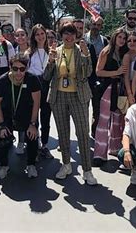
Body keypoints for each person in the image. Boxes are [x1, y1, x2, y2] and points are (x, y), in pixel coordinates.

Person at [43, 22, 98, 185]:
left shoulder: (81, 51)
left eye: (72, 33)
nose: (69, 37)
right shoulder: (56, 51)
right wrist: (51, 61)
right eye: (65, 33)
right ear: (61, 35)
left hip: (78, 96)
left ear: (77, 35)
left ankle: (87, 170)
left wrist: (87, 55)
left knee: (82, 132)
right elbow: (46, 76)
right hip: (58, 96)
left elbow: (88, 73)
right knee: (63, 132)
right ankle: (66, 165)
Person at [0, 54, 41, 179]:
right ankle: (4, 166)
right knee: (2, 138)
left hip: (26, 114)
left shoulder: (32, 80)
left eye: (22, 69)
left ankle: (31, 164)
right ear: (10, 68)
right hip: (7, 114)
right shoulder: (3, 81)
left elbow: (36, 103)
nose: (18, 72)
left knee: (32, 136)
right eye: (15, 69)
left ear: (27, 68)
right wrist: (2, 124)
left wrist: (33, 124)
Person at [93, 28, 128, 165]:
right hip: (106, 88)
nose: (122, 40)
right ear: (114, 37)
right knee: (103, 121)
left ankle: (115, 148)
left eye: (124, 38)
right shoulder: (106, 51)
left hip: (120, 89)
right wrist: (115, 72)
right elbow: (98, 72)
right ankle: (99, 154)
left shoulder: (124, 53)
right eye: (120, 37)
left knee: (117, 121)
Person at [27, 24, 53, 159]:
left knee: (46, 117)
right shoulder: (29, 52)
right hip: (33, 86)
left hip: (47, 85)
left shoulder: (52, 51)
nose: (40, 37)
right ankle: (34, 145)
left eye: (42, 34)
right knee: (33, 117)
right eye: (37, 34)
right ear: (34, 37)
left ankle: (45, 145)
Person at [73, 18, 101, 137]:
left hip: (87, 84)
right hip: (69, 85)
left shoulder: (89, 46)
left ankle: (89, 134)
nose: (78, 30)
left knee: (89, 112)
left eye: (81, 28)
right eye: (76, 28)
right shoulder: (63, 45)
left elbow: (93, 68)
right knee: (73, 115)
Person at [123, 32, 136, 106]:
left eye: (135, 40)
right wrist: (130, 94)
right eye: (129, 41)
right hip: (130, 87)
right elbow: (126, 77)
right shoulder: (127, 56)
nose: (132, 42)